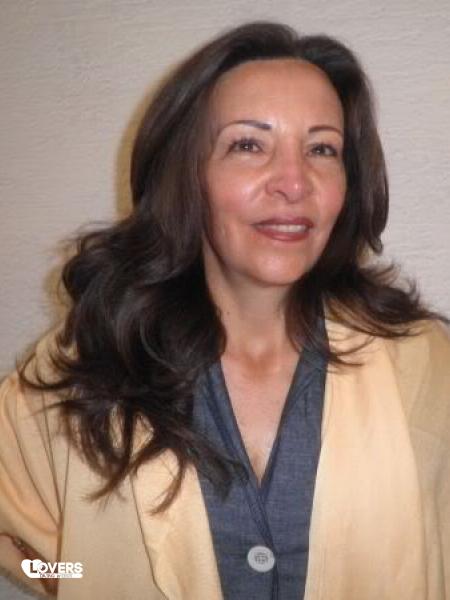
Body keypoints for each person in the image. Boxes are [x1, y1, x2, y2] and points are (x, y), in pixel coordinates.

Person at [0, 20, 449, 600]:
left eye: (322, 149)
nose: (294, 183)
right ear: (187, 174)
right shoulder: (86, 364)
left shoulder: (425, 365)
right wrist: (80, 576)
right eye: (247, 145)